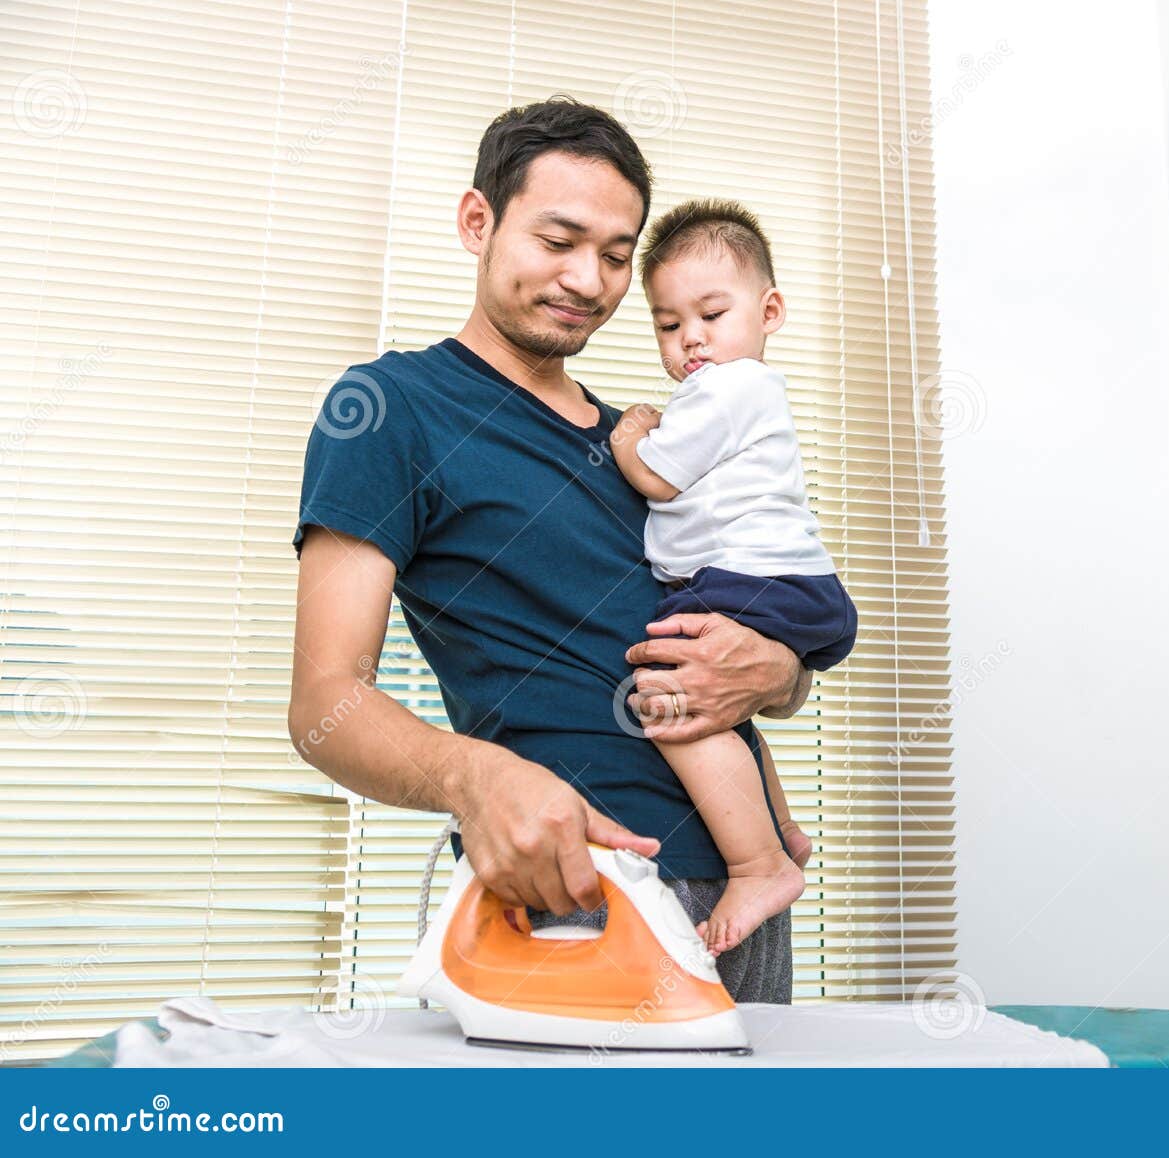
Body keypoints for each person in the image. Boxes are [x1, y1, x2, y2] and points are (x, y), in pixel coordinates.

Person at [287, 98, 811, 1002]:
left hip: (745, 890)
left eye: (615, 256)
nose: (588, 279)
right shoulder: (392, 409)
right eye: (558, 240)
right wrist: (473, 777)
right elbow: (325, 702)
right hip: (577, 890)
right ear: (476, 222)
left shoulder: (650, 448)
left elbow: (758, 641)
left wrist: (777, 672)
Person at [608, 198, 858, 954]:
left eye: (711, 314)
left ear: (769, 309)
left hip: (753, 577)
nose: (691, 340)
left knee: (671, 702)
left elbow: (656, 478)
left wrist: (630, 433)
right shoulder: (742, 392)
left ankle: (756, 866)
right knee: (725, 708)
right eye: (668, 323)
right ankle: (779, 830)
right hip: (785, 582)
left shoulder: (727, 386)